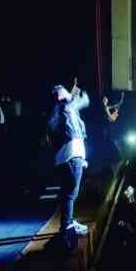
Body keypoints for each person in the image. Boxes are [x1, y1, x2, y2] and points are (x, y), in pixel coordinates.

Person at [48, 80, 91, 238]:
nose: (68, 93)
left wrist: (71, 94)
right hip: (72, 156)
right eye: (65, 92)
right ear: (60, 96)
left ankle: (68, 222)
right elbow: (85, 99)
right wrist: (77, 93)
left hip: (67, 157)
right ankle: (67, 225)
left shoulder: (59, 110)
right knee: (71, 193)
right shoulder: (67, 107)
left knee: (68, 192)